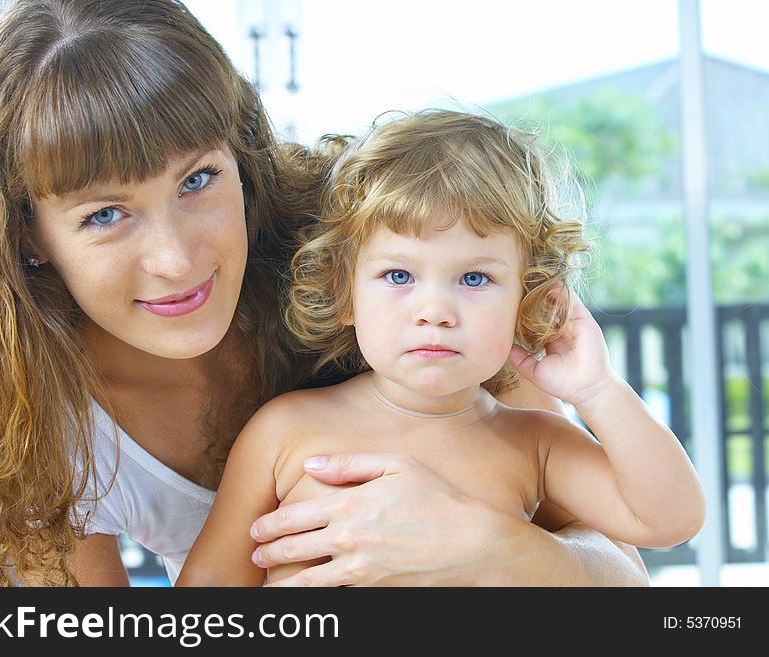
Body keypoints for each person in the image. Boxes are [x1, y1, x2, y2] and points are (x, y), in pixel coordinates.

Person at [0, 0, 649, 587]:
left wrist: (485, 541)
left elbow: (628, 583)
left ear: (241, 156)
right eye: (105, 215)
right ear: (27, 233)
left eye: (197, 179)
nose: (175, 258)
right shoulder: (35, 421)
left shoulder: (384, 271)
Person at [176, 110, 705, 586]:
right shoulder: (283, 429)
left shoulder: (535, 443)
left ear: (527, 299)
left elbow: (669, 521)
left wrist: (597, 390)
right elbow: (208, 587)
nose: (436, 310)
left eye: (474, 278)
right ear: (344, 294)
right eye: (399, 274)